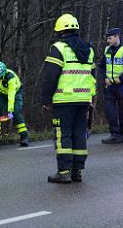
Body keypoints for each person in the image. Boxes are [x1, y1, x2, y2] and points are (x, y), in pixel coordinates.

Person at [40, 14, 96, 183]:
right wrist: (92, 98)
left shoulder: (58, 48)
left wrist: (46, 99)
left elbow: (50, 76)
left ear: (60, 31)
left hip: (64, 100)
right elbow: (92, 76)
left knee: (63, 135)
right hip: (83, 99)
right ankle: (77, 171)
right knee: (79, 134)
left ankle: (63, 172)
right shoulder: (89, 49)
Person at [98, 27, 123, 144]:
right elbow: (102, 66)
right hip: (110, 86)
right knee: (109, 110)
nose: (108, 41)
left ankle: (122, 134)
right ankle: (114, 134)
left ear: (117, 37)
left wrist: (120, 78)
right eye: (107, 38)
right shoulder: (107, 50)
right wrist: (105, 77)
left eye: (110, 38)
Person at [0, 61, 29, 146]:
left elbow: (11, 95)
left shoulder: (10, 77)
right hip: (2, 94)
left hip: (15, 93)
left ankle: (24, 136)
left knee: (16, 112)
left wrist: (10, 111)